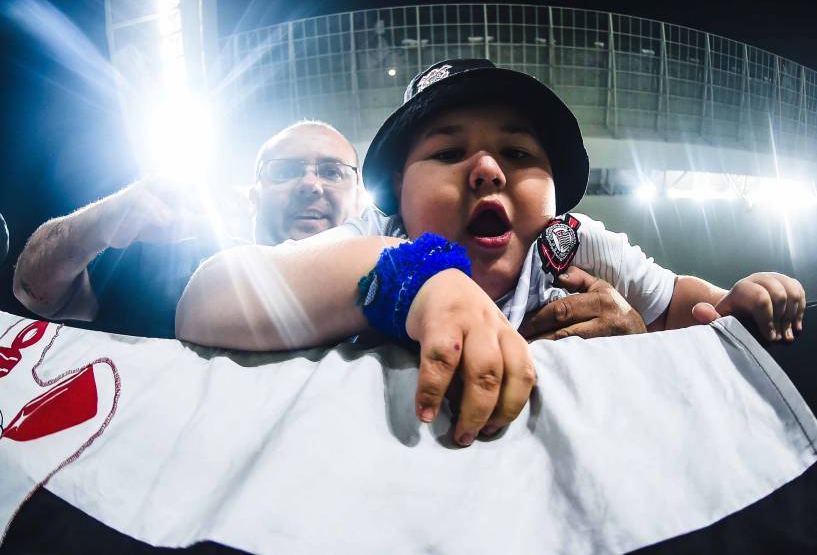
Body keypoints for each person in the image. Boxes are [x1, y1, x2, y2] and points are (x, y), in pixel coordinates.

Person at [175, 58, 806, 447]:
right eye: (448, 154)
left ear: (555, 191)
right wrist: (413, 280)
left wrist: (735, 302)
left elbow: (679, 303)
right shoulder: (377, 236)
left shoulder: (574, 243)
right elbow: (208, 297)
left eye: (520, 154)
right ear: (396, 195)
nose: (485, 169)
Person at [12, 120, 363, 338]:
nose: (310, 185)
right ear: (253, 197)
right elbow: (34, 292)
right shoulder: (173, 260)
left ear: (359, 200)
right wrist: (99, 223)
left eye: (332, 172)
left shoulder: (396, 290)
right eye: (285, 170)